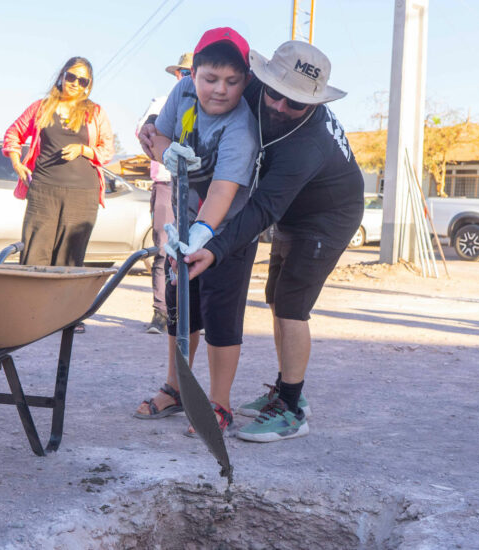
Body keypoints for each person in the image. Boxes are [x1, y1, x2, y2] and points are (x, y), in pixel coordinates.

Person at [152, 40, 364, 442]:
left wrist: (212, 247)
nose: (281, 107)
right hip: (292, 207)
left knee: (292, 306)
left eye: (295, 103)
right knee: (275, 297)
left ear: (314, 103)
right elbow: (200, 89)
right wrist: (156, 132)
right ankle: (285, 390)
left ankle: (291, 409)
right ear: (263, 80)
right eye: (276, 94)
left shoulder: (308, 144)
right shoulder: (253, 89)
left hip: (327, 215)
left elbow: (261, 210)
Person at [132, 28, 259, 436]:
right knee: (179, 307)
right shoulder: (182, 92)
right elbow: (162, 134)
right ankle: (177, 388)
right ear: (194, 73)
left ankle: (219, 404)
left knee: (221, 315)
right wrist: (163, 148)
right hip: (184, 220)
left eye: (232, 81)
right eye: (210, 78)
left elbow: (224, 191)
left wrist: (204, 234)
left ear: (245, 80)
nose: (220, 90)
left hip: (228, 230)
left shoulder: (242, 126)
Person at [2, 57, 114, 332]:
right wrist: (17, 163)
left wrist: (84, 150)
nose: (76, 83)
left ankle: (68, 317)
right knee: (35, 249)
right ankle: (30, 314)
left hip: (82, 192)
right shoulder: (41, 108)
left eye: (83, 80)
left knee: (71, 255)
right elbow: (13, 134)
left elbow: (107, 150)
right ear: (62, 76)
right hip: (43, 188)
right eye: (72, 77)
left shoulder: (95, 112)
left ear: (88, 86)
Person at [136, 52, 193, 334]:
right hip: (167, 182)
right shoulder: (161, 102)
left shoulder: (210, 103)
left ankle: (192, 313)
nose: (190, 78)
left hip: (197, 185)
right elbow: (143, 134)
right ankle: (162, 312)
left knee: (196, 248)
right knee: (163, 248)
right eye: (185, 73)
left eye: (195, 72)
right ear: (177, 75)